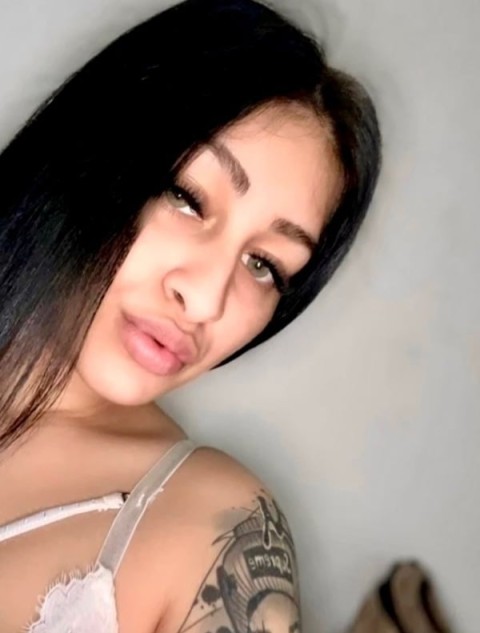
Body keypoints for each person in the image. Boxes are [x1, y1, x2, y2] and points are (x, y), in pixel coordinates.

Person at [0, 0, 381, 631]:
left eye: (265, 265)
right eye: (188, 197)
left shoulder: (212, 530)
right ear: (91, 152)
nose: (205, 301)